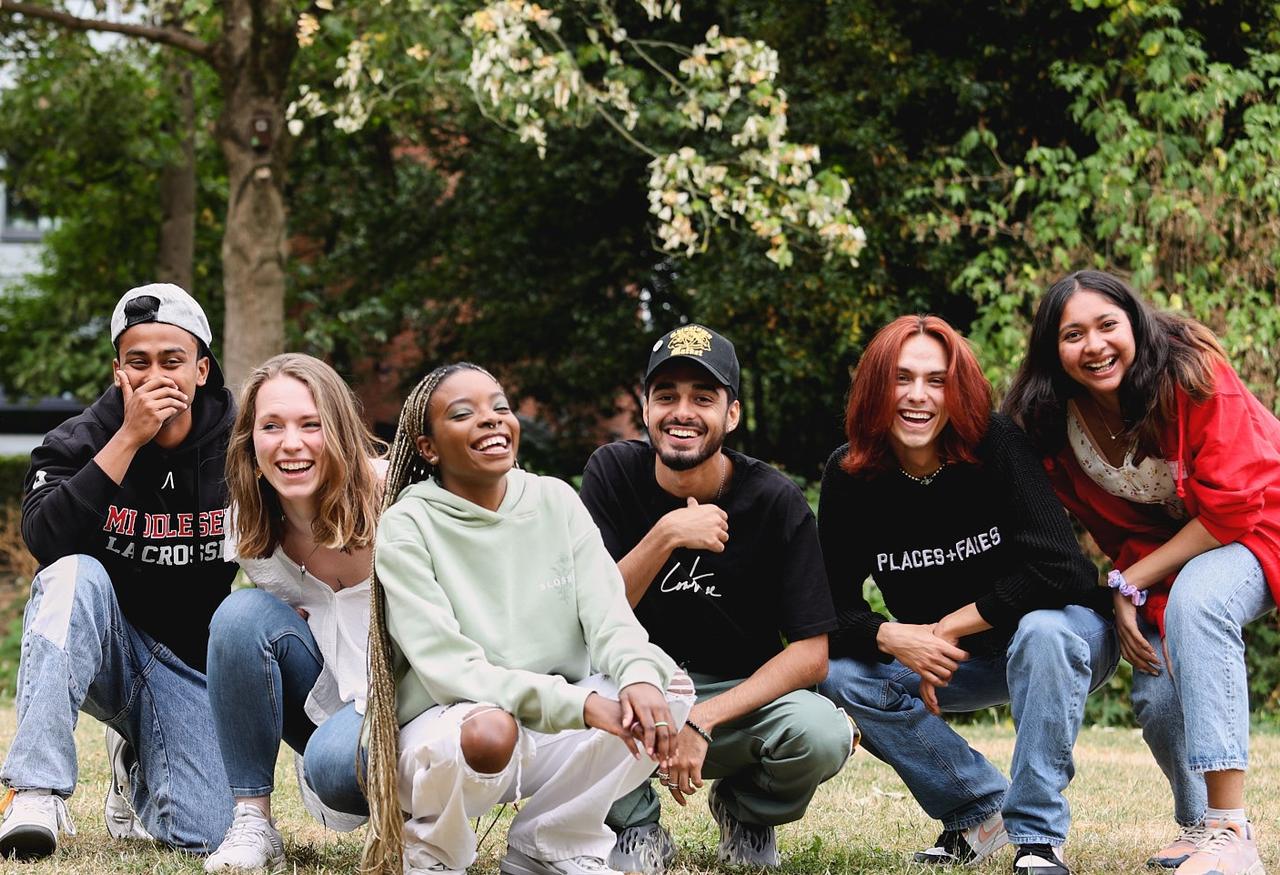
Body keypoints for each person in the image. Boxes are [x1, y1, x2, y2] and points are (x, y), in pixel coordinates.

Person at [359, 362, 692, 875]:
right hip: (451, 729)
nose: (491, 421)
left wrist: (637, 677)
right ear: (427, 447)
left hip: (549, 721)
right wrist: (583, 705)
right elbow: (452, 671)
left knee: (665, 690)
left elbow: (609, 617)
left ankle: (550, 844)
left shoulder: (554, 499)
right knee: (489, 730)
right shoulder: (408, 523)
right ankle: (432, 853)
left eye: (500, 408)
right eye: (464, 414)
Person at [816, 315, 1117, 875]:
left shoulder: (994, 444)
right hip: (956, 663)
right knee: (834, 674)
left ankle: (1037, 839)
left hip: (1064, 639)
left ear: (958, 392)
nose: (918, 397)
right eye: (902, 379)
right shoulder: (850, 475)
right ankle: (978, 809)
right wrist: (890, 635)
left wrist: (951, 625)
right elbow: (828, 607)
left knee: (1043, 630)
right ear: (876, 388)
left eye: (936, 381)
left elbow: (1064, 570)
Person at [1003, 270, 1280, 875]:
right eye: (1073, 334)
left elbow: (1233, 508)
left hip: (1260, 523)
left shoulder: (1192, 374)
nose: (1094, 345)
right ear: (1053, 349)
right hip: (1163, 556)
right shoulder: (1052, 422)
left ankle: (1231, 831)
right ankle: (1198, 827)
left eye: (1107, 325)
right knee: (1159, 694)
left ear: (1135, 323)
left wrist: (1129, 581)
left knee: (1200, 601)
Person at [579, 324, 856, 873]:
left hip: (733, 702)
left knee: (822, 733)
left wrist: (702, 719)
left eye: (703, 398)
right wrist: (665, 536)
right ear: (646, 408)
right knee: (569, 700)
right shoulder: (611, 473)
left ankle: (746, 811)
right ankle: (635, 826)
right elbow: (590, 616)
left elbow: (811, 654)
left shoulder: (776, 500)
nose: (682, 411)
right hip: (633, 687)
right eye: (667, 397)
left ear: (731, 415)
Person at [0, 284, 237, 860]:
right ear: (118, 373)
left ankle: (132, 768)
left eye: (173, 361)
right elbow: (43, 540)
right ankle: (35, 790)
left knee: (205, 832)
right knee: (72, 574)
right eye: (139, 362)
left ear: (201, 369)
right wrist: (129, 437)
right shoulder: (78, 439)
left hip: (188, 664)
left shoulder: (242, 445)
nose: (157, 375)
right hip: (104, 642)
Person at [202, 353, 383, 871]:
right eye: (271, 426)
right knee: (240, 615)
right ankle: (253, 823)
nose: (290, 444)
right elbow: (243, 641)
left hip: (411, 701)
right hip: (330, 706)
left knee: (339, 762)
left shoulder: (396, 497)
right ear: (250, 440)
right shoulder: (250, 528)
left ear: (341, 429)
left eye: (311, 424)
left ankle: (426, 814)